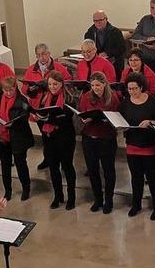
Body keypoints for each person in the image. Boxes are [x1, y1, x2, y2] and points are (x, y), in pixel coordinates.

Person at [119, 72, 155, 220]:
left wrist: (150, 122)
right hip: (132, 144)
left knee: (152, 177)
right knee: (136, 177)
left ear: (141, 87)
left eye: (135, 88)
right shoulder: (125, 103)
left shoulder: (152, 102)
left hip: (150, 145)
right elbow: (120, 120)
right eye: (129, 89)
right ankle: (136, 204)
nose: (132, 92)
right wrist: (121, 127)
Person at [21, 43, 72, 170]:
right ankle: (48, 158)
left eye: (44, 54)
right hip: (39, 107)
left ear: (49, 54)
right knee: (45, 136)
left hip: (55, 106)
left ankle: (61, 160)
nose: (41, 57)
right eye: (38, 55)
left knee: (57, 136)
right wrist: (31, 89)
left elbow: (69, 83)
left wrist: (50, 85)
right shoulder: (31, 69)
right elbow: (24, 88)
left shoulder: (58, 67)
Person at [79, 72, 119, 213]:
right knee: (93, 170)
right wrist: (85, 119)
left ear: (104, 84)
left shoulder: (112, 98)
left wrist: (106, 119)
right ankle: (98, 199)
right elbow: (82, 114)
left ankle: (109, 200)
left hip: (106, 138)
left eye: (98, 85)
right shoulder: (86, 97)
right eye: (93, 85)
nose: (95, 88)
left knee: (108, 171)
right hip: (89, 138)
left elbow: (117, 117)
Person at [0, 77, 33, 201]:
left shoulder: (22, 100)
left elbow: (25, 116)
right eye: (5, 90)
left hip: (18, 137)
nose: (8, 93)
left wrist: (13, 124)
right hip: (2, 137)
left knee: (21, 164)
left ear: (15, 88)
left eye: (11, 90)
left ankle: (26, 188)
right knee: (5, 165)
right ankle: (8, 191)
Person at [38, 70, 77, 210]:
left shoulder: (68, 99)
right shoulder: (45, 98)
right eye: (50, 84)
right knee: (53, 168)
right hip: (50, 138)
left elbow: (67, 116)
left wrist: (50, 118)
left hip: (65, 137)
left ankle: (71, 198)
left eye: (55, 84)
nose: (52, 87)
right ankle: (58, 196)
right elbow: (43, 113)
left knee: (67, 167)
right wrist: (41, 118)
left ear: (61, 84)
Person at [84, 10, 126, 79]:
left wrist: (108, 53)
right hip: (96, 64)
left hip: (114, 63)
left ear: (106, 19)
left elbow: (122, 48)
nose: (98, 23)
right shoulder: (90, 33)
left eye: (101, 20)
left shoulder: (115, 32)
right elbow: (88, 48)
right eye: (95, 21)